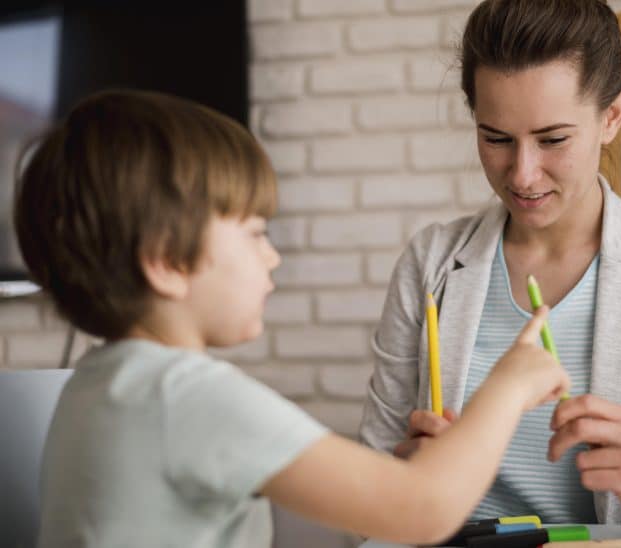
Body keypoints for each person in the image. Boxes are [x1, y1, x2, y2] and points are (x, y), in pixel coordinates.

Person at [14, 89, 569, 548]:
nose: (272, 256)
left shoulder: (92, 385)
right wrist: (509, 385)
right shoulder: (187, 396)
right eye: (256, 233)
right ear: (165, 260)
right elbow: (423, 508)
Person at [359, 0, 621, 545]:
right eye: (495, 138)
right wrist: (401, 481)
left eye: (553, 139)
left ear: (611, 116)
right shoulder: (430, 262)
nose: (523, 175)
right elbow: (364, 482)